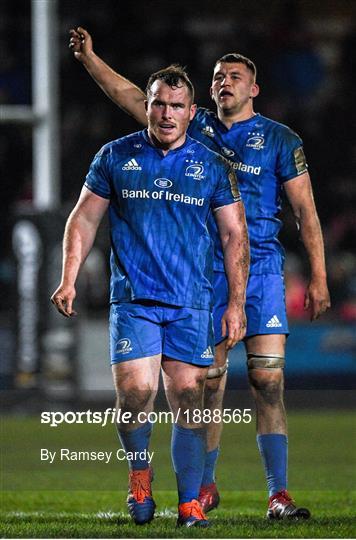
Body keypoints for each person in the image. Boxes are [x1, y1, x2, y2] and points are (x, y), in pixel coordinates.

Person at [68, 28, 331, 519]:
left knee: (267, 381)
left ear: (255, 88)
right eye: (218, 76)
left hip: (264, 271)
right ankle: (202, 487)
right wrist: (90, 59)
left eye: (236, 76)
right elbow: (130, 94)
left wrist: (317, 275)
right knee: (204, 386)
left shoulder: (280, 139)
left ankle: (278, 492)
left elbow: (306, 212)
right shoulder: (192, 126)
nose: (225, 81)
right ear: (206, 93)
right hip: (205, 275)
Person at [51, 64, 249, 527]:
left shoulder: (211, 166)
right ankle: (140, 475)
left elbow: (235, 235)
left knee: (187, 394)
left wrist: (236, 304)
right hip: (135, 300)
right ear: (148, 106)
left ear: (191, 112)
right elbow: (82, 219)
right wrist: (68, 277)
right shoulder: (116, 157)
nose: (166, 113)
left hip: (191, 301)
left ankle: (187, 505)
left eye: (176, 106)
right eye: (158, 103)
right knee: (138, 392)